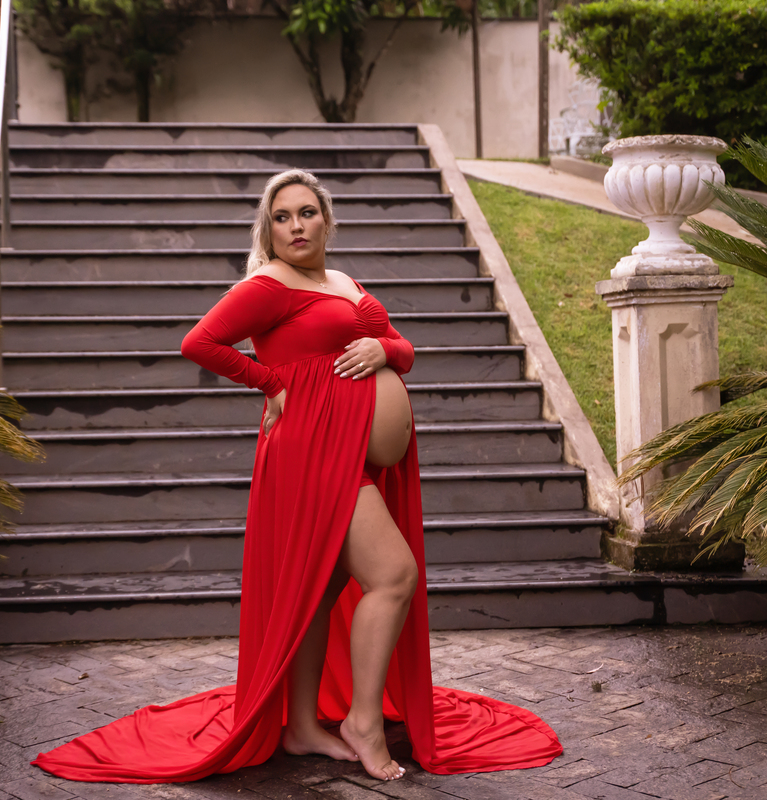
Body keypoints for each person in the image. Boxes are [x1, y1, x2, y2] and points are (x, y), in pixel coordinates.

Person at [32, 169, 562, 785]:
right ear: (269, 230)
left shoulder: (343, 281)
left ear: (326, 220)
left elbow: (403, 348)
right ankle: (362, 722)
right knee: (394, 575)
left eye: (306, 212)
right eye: (281, 217)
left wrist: (384, 351)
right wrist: (271, 383)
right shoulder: (268, 285)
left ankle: (303, 725)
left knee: (322, 589)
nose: (295, 226)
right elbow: (199, 343)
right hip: (313, 453)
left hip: (355, 453)